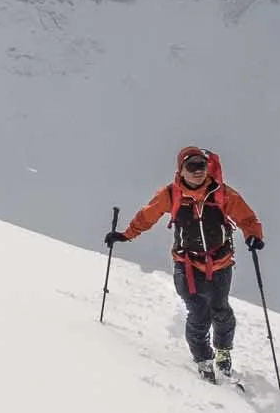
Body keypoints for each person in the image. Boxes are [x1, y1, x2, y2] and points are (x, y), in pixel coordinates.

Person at [105, 146, 265, 382]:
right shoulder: (171, 195)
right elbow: (147, 215)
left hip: (220, 263)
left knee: (221, 310)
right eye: (192, 166)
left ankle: (222, 353)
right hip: (186, 264)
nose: (198, 171)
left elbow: (247, 217)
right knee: (199, 312)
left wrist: (254, 235)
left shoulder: (222, 194)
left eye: (202, 165)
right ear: (180, 170)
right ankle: (203, 359)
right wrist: (126, 235)